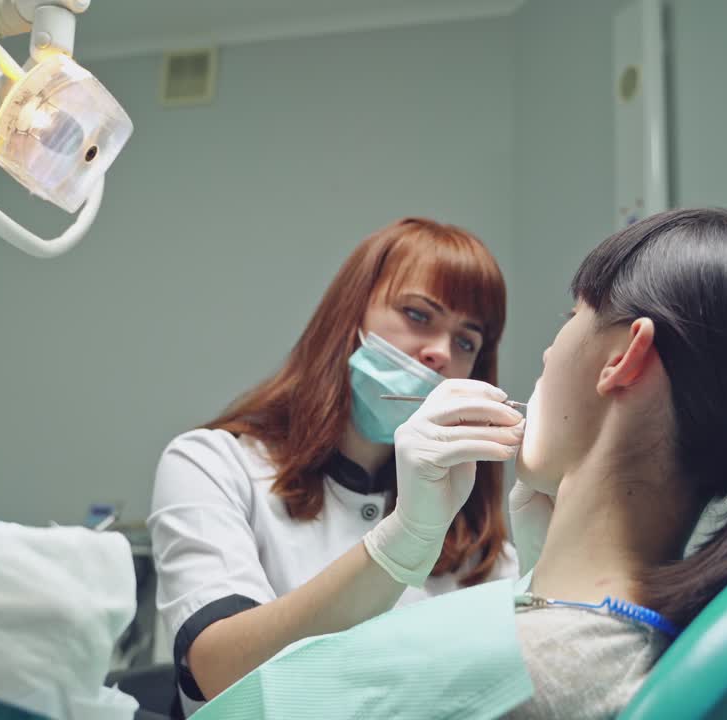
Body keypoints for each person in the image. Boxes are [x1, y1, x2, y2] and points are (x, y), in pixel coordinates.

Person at [193, 208, 727, 720]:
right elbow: (210, 664)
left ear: (622, 358)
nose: (544, 355)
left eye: (570, 317)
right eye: (418, 316)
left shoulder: (487, 664)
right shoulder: (654, 646)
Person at [148, 217, 522, 716]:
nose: (440, 352)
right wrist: (402, 543)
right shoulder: (213, 464)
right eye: (418, 314)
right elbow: (218, 671)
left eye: (466, 342)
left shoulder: (470, 535)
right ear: (350, 316)